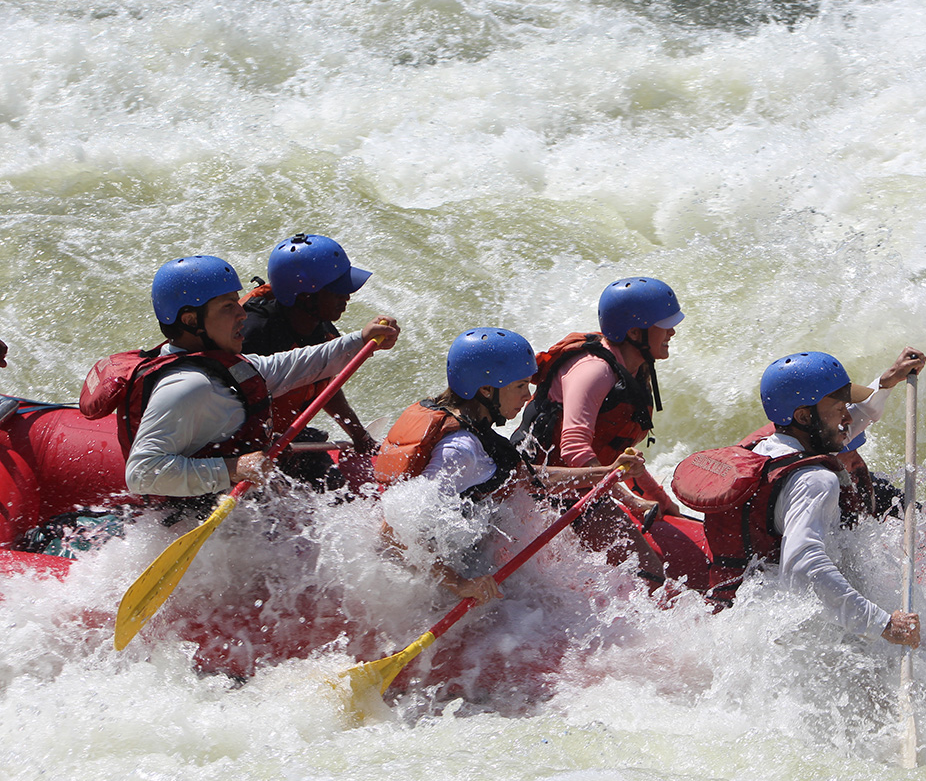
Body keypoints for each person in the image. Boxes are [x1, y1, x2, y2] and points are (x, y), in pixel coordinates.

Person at [677, 349, 926, 648]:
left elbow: (843, 426)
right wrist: (883, 624)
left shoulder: (763, 447)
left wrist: (886, 384)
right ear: (804, 415)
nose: (847, 417)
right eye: (839, 408)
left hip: (739, 618)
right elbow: (803, 566)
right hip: (778, 638)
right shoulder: (814, 481)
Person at [374, 327, 645, 604]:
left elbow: (528, 477)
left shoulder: (476, 431)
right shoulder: (459, 450)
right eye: (519, 386)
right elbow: (394, 530)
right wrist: (459, 584)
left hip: (446, 567)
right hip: (420, 585)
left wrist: (607, 472)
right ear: (486, 390)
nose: (527, 396)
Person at [106, 255, 399, 507]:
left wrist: (361, 341)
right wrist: (232, 468)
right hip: (195, 518)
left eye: (237, 303)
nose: (242, 313)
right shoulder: (185, 386)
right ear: (190, 321)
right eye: (227, 307)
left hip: (238, 505)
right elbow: (142, 473)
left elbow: (300, 364)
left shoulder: (229, 366)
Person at [510, 276, 685, 571]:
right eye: (664, 325)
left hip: (580, 486)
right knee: (651, 574)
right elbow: (575, 450)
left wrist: (660, 500)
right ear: (634, 332)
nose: (673, 332)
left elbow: (616, 454)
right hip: (545, 491)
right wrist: (631, 502)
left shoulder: (632, 368)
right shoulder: (594, 372)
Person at [239, 234, 378, 485]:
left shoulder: (320, 328)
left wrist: (359, 436)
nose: (346, 297)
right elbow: (223, 404)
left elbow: (325, 388)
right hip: (241, 448)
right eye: (337, 291)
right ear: (306, 296)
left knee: (339, 493)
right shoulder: (251, 335)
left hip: (284, 438)